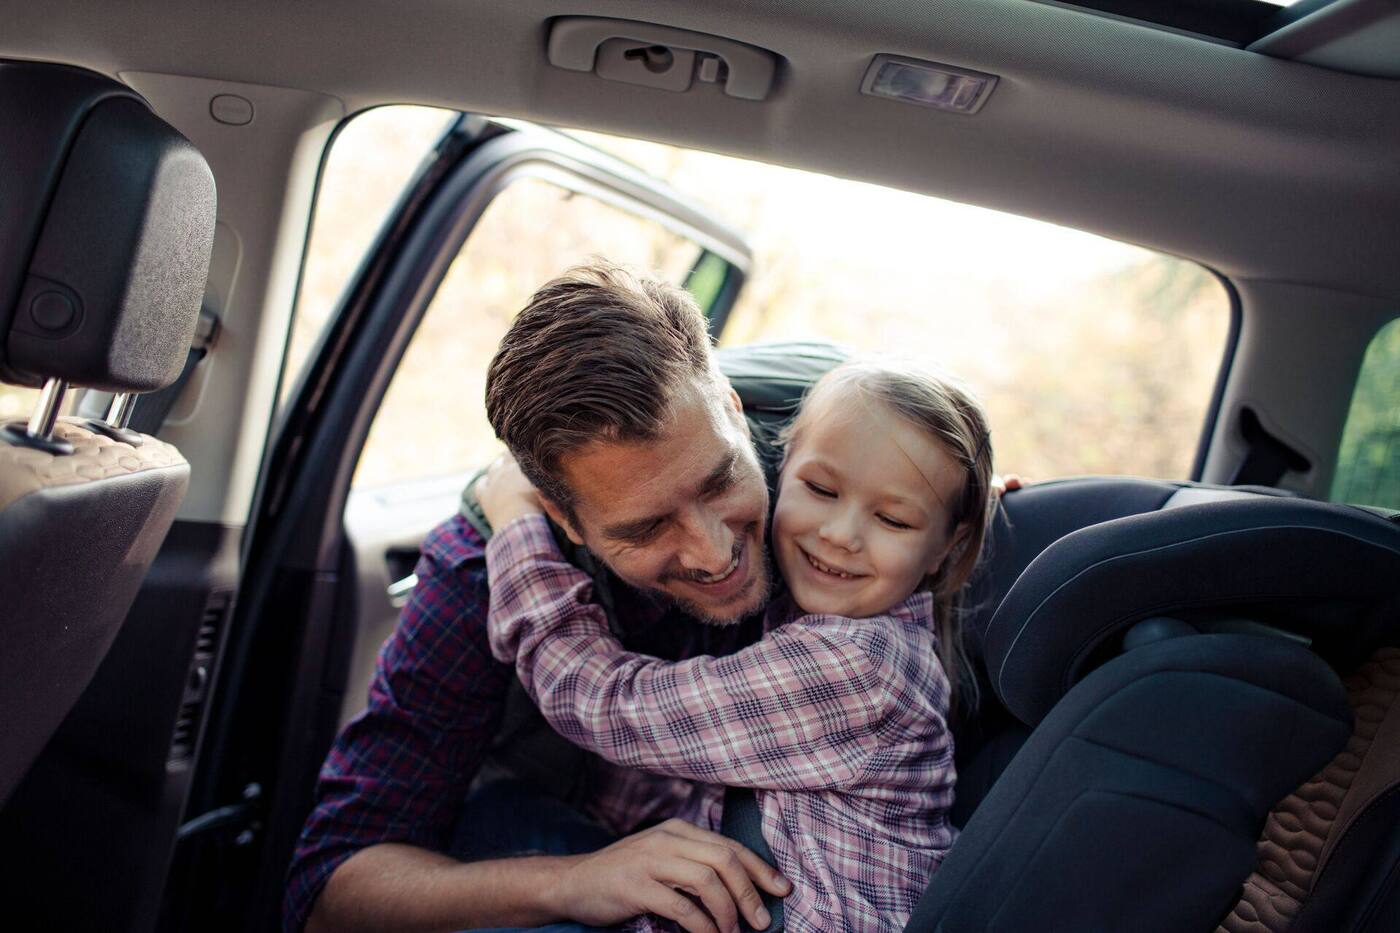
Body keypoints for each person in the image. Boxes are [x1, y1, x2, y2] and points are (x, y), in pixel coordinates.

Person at [479, 358, 995, 933]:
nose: (840, 534)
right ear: (779, 467)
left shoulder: (856, 667)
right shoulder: (815, 631)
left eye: (894, 520)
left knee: (487, 828)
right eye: (821, 489)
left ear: (948, 548)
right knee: (497, 818)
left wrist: (515, 525)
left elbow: (604, 705)